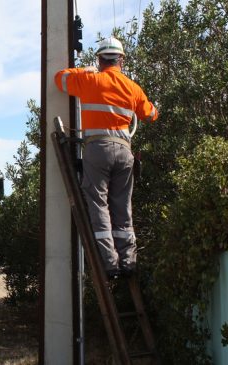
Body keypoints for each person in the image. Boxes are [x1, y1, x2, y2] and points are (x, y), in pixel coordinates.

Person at [54, 36, 158, 279]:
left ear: (100, 59)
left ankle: (110, 264)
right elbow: (151, 114)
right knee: (123, 206)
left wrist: (85, 69)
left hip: (97, 150)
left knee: (98, 204)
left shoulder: (90, 79)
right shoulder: (132, 87)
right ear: (121, 59)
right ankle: (129, 262)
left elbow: (59, 78)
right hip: (124, 152)